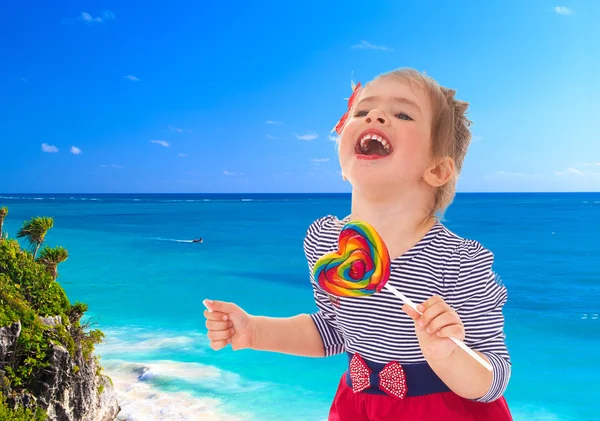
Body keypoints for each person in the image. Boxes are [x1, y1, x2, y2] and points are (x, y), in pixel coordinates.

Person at [203, 68, 513, 420]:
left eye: (402, 113)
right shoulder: (326, 243)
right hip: (357, 406)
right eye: (362, 112)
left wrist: (448, 354)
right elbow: (333, 331)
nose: (375, 116)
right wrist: (256, 331)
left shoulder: (457, 260)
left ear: (437, 170)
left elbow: (495, 378)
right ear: (344, 162)